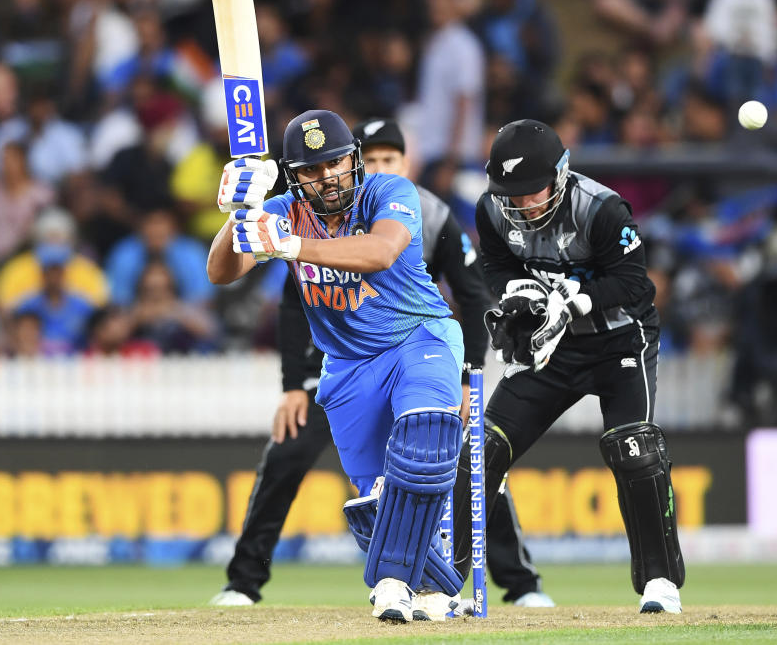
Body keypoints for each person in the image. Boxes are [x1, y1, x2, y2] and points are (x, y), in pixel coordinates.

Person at [211, 118, 553, 610]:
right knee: (378, 502)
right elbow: (221, 272)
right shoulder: (284, 210)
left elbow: (381, 250)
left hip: (420, 339)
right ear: (293, 176)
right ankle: (437, 590)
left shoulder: (389, 190)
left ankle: (395, 582)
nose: (328, 176)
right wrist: (237, 217)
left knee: (427, 437)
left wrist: (289, 245)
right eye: (312, 169)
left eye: (335, 162)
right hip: (347, 367)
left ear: (353, 157)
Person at [451, 119, 685, 614]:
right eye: (510, 194)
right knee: (480, 450)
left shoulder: (601, 209)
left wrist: (574, 299)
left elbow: (636, 285)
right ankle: (446, 579)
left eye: (532, 192)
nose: (523, 205)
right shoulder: (493, 209)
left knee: (635, 450)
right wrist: (521, 295)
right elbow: (497, 266)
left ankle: (660, 584)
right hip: (552, 348)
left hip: (620, 341)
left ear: (560, 174)